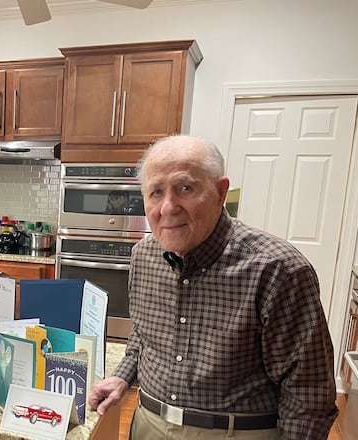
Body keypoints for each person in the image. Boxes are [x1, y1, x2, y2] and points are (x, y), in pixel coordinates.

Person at [87, 135, 337, 439]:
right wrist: (122, 377)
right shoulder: (143, 256)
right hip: (148, 424)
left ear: (220, 192)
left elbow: (308, 394)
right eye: (155, 192)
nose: (168, 207)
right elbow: (144, 333)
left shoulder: (277, 270)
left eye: (185, 188)